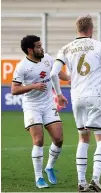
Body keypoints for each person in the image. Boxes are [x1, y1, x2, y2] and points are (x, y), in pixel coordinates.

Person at [50, 15, 101, 192]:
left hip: (76, 97)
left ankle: (81, 182)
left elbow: (52, 74)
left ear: (77, 29)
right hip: (95, 95)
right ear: (91, 29)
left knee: (83, 137)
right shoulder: (99, 45)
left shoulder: (65, 48)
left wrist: (58, 94)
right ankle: (95, 179)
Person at [11, 35, 69, 188]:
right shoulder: (22, 66)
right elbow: (14, 89)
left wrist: (65, 86)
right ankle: (39, 178)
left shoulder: (48, 58)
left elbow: (57, 73)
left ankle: (49, 167)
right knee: (38, 141)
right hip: (32, 106)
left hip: (49, 103)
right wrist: (33, 86)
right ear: (30, 50)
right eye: (38, 46)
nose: (41, 48)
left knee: (58, 139)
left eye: (41, 45)